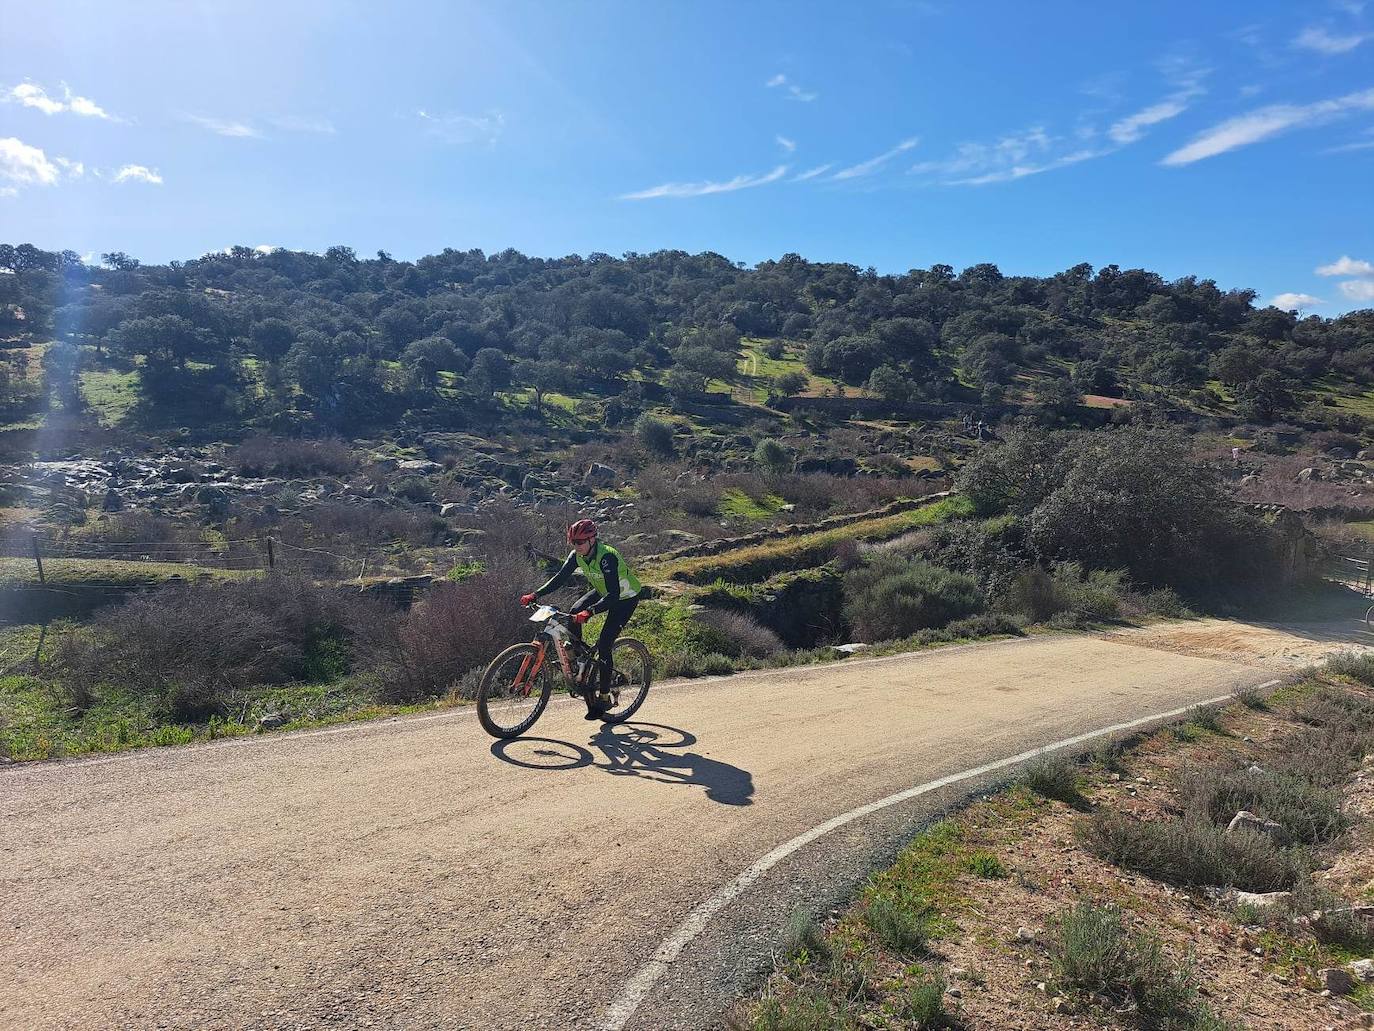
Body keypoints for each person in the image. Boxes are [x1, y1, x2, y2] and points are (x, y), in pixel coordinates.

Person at [520, 519, 643, 719]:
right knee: (574, 610)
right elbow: (560, 578)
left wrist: (591, 612)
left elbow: (613, 596)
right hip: (604, 591)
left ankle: (603, 697)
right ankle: (579, 655)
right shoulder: (576, 555)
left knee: (604, 643)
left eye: (580, 542)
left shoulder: (607, 557)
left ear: (592, 539)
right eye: (573, 543)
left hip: (624, 598)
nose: (577, 547)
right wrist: (536, 594)